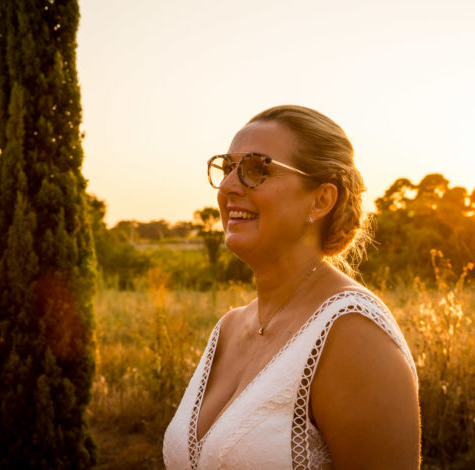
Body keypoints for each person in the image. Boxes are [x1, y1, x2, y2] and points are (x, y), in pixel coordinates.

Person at [163, 105, 420, 469]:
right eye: (226, 168)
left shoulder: (352, 334)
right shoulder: (228, 328)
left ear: (321, 200)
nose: (228, 186)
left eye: (256, 169)